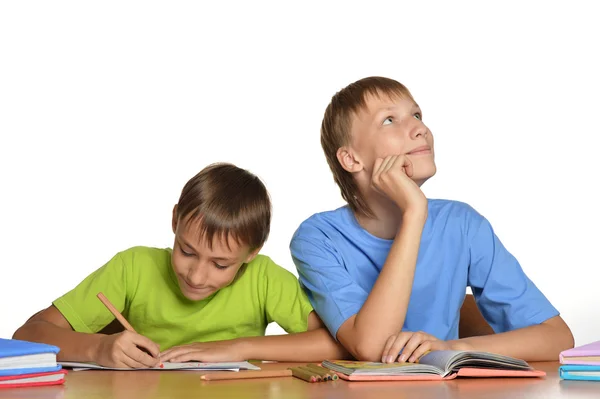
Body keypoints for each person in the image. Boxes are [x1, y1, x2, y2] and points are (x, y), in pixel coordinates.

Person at [290, 76, 574, 363]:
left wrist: (453, 349)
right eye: (389, 120)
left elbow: (558, 338)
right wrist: (414, 213)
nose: (420, 129)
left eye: (416, 115)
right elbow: (373, 348)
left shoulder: (462, 224)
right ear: (351, 159)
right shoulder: (317, 238)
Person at [14, 163, 347, 368]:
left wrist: (237, 348)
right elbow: (27, 335)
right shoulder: (134, 267)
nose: (197, 275)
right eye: (187, 252)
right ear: (175, 220)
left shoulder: (264, 277)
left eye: (220, 264)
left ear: (251, 253)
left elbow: (335, 343)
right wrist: (99, 347)